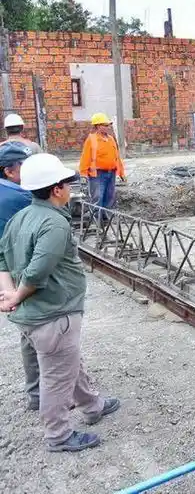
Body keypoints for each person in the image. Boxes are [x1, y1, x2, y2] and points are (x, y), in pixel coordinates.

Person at [0, 153, 119, 452]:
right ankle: (59, 435)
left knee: (67, 361)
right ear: (56, 189)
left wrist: (10, 293)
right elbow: (39, 270)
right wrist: (16, 294)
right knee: (55, 377)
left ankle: (92, 405)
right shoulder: (54, 223)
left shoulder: (20, 217)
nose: (69, 189)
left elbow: (2, 257)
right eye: (66, 184)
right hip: (53, 313)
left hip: (36, 315)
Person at [0, 143, 38, 409]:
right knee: (45, 333)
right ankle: (52, 395)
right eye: (24, 166)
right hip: (20, 271)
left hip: (9, 271)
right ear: (9, 171)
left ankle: (37, 392)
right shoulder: (19, 198)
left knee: (28, 333)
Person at [78, 113, 126, 218]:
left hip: (111, 173)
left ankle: (106, 221)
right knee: (97, 198)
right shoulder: (92, 139)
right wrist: (83, 174)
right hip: (97, 175)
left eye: (108, 125)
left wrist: (121, 172)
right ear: (98, 126)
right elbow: (85, 157)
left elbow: (116, 157)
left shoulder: (111, 139)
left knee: (109, 198)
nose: (108, 127)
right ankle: (96, 222)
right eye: (106, 125)